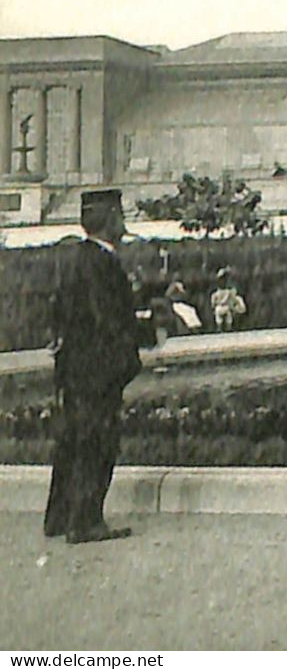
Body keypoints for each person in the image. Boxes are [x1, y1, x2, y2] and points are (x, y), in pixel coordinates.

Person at [44, 189, 143, 544]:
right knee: (97, 443)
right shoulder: (104, 264)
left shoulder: (73, 259)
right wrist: (128, 359)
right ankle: (86, 522)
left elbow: (59, 315)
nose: (122, 221)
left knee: (71, 441)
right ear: (109, 219)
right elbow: (108, 321)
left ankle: (59, 517)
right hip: (98, 372)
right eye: (118, 214)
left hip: (74, 370)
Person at [210, 268, 247, 333]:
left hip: (228, 308)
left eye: (224, 279)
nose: (223, 281)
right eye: (221, 280)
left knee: (228, 315)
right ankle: (219, 327)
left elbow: (234, 301)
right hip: (219, 308)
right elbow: (213, 304)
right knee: (218, 312)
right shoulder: (215, 293)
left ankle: (229, 327)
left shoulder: (230, 291)